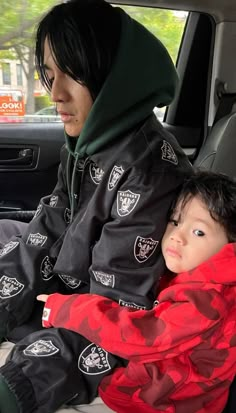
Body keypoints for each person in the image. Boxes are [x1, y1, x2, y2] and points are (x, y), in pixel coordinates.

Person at [0, 0, 191, 412]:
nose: (55, 94)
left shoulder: (149, 172)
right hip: (64, 296)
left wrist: (17, 385)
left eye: (75, 74)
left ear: (114, 77)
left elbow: (116, 313)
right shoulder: (87, 144)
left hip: (97, 324)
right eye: (50, 75)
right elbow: (46, 230)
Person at [36, 170, 236, 413]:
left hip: (161, 403)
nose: (177, 237)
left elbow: (141, 334)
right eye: (175, 221)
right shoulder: (202, 279)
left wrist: (66, 309)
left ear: (230, 246)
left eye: (199, 232)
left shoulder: (208, 300)